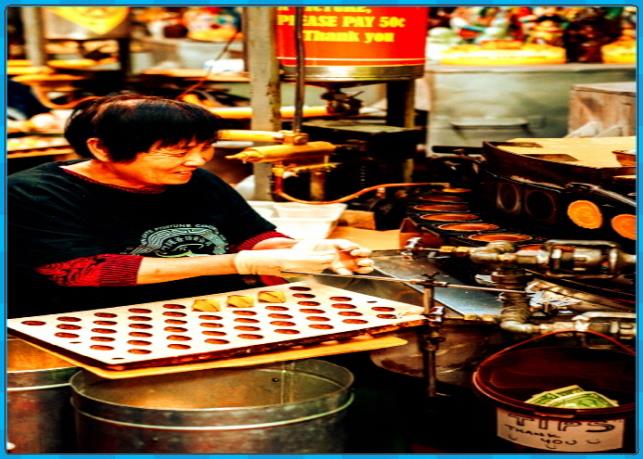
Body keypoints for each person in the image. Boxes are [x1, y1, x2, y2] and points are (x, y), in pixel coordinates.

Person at [8, 94, 374, 318]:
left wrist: (303, 250)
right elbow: (82, 270)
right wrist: (240, 264)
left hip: (205, 314)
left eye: (205, 148)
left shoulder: (194, 180)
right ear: (101, 148)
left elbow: (250, 237)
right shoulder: (32, 193)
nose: (198, 161)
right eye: (178, 151)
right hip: (95, 324)